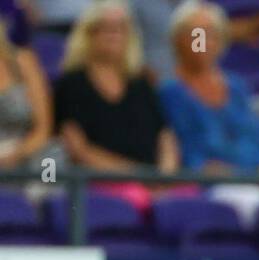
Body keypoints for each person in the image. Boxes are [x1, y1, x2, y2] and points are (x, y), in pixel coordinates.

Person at [159, 1, 259, 173]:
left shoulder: (237, 87)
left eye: (211, 34)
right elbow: (189, 155)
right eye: (196, 34)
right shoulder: (170, 93)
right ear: (177, 40)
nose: (203, 42)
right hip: (214, 186)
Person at [54, 0, 178, 174]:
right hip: (99, 181)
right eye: (106, 28)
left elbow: (165, 137)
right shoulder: (72, 83)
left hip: (152, 182)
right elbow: (76, 148)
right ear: (88, 34)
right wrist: (135, 176)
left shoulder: (141, 83)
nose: (114, 34)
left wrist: (163, 177)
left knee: (188, 198)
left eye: (121, 28)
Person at [0, 10, 54, 169]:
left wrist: (15, 155)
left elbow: (43, 130)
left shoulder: (24, 62)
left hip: (27, 153)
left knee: (50, 163)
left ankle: (49, 193)